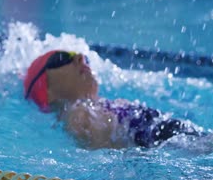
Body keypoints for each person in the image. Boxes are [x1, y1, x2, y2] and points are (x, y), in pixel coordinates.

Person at [23, 50, 203, 149]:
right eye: (61, 58)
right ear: (47, 91)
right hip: (170, 143)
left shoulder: (94, 106)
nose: (80, 57)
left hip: (176, 140)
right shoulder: (77, 114)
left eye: (83, 57)